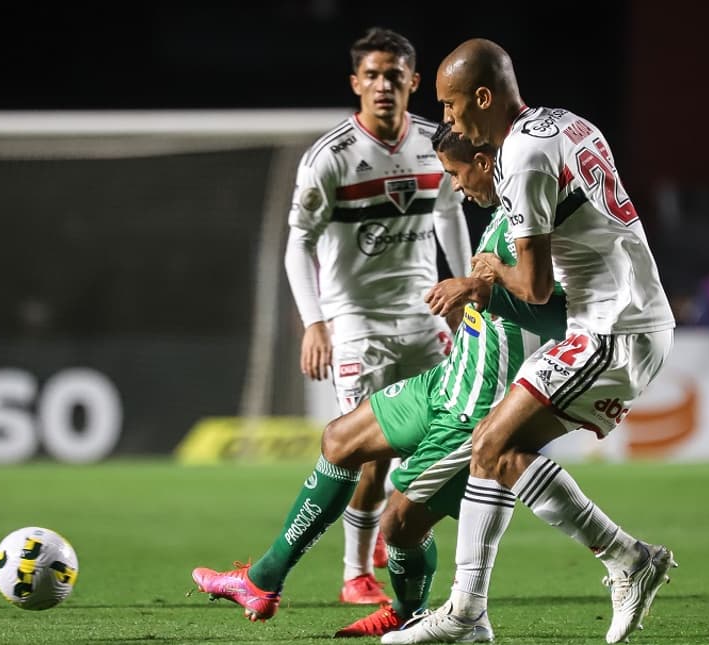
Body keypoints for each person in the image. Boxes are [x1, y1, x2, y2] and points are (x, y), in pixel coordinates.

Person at [189, 125, 567, 638]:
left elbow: (555, 310)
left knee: (398, 526)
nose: (455, 188)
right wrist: (470, 296)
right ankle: (262, 580)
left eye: (456, 175)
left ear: (483, 161)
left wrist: (483, 283)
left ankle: (412, 612)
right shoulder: (505, 210)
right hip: (446, 381)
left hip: (479, 408)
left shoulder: (540, 223)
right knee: (340, 438)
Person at [381, 39, 678, 645]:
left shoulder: (520, 155)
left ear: (483, 97)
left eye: (451, 105)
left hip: (612, 327)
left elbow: (535, 287)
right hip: (627, 318)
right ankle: (622, 560)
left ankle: (471, 613)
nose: (448, 120)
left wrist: (487, 270)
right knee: (505, 453)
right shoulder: (567, 123)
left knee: (489, 440)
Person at [280, 27, 473, 605]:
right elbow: (298, 244)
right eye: (372, 75)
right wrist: (315, 322)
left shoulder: (436, 143)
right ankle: (354, 573)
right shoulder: (331, 156)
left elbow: (449, 216)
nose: (383, 85)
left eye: (395, 75)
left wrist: (460, 291)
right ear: (355, 84)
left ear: (414, 82)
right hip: (356, 323)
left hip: (421, 317)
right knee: (368, 451)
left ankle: (396, 540)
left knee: (439, 438)